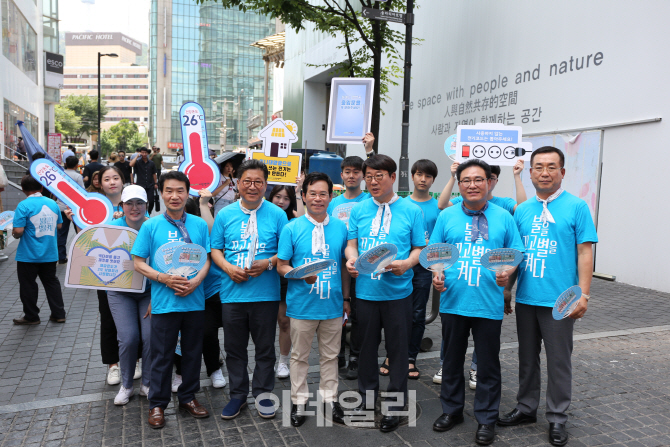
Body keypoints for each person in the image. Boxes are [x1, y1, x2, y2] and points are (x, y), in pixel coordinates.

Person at [498, 147, 598, 447]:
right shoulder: (523, 209)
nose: (544, 172)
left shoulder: (577, 207)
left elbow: (585, 252)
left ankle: (557, 418)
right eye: (538, 167)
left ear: (562, 172)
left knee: (558, 361)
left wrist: (584, 294)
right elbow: (517, 254)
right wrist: (507, 288)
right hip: (528, 298)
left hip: (561, 301)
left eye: (551, 167)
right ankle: (526, 408)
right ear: (530, 173)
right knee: (526, 358)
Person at [429, 159, 524, 445]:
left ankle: (486, 418)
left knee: (488, 366)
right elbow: (435, 253)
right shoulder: (446, 216)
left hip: (488, 304)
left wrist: (508, 273)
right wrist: (437, 273)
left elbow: (517, 251)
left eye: (478, 179)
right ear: (459, 184)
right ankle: (452, 410)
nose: (472, 184)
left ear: (489, 182)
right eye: (466, 180)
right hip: (453, 301)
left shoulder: (504, 216)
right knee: (452, 360)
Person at [345, 154, 426, 433]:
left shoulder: (412, 211)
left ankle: (394, 405)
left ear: (393, 177)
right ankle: (366, 400)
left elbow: (419, 249)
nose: (373, 181)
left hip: (398, 294)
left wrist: (406, 263)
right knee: (365, 349)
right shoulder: (359, 209)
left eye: (379, 176)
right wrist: (351, 259)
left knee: (398, 351)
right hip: (365, 293)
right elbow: (351, 244)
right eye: (369, 176)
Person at [132, 171, 212, 429]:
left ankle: (188, 397)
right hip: (165, 303)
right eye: (169, 191)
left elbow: (207, 259)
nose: (175, 196)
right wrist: (163, 278)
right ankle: (157, 404)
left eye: (180, 191)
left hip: (194, 301)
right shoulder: (151, 226)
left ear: (188, 193)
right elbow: (138, 263)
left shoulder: (199, 225)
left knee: (191, 353)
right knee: (161, 355)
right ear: (161, 193)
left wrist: (197, 281)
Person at [210, 159, 288, 420]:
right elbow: (215, 250)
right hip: (232, 293)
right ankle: (238, 396)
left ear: (265, 185)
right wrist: (228, 268)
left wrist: (268, 262)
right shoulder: (225, 214)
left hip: (266, 294)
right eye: (247, 181)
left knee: (265, 348)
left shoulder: (278, 215)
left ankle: (264, 395)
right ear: (238, 184)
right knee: (234, 348)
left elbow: (286, 253)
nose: (252, 186)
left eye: (258, 182)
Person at [277, 172, 349, 427]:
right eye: (312, 193)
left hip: (332, 304)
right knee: (299, 356)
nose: (318, 199)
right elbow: (282, 265)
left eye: (323, 194)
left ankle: (330, 399)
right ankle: (299, 401)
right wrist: (300, 274)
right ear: (304, 196)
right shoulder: (292, 228)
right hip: (301, 305)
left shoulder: (341, 228)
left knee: (331, 356)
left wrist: (346, 299)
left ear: (331, 197)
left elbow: (343, 266)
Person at [171, 190, 227, 392]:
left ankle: (214, 369)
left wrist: (204, 204)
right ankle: (179, 373)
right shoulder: (163, 229)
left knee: (207, 332)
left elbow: (213, 245)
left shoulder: (202, 228)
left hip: (207, 291)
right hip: (177, 291)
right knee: (178, 333)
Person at [107, 185, 152, 405]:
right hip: (120, 292)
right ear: (121, 206)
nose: (135, 208)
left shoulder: (154, 226)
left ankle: (148, 383)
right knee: (128, 338)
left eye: (139, 203)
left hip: (149, 291)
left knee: (150, 337)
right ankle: (126, 385)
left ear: (146, 205)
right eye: (129, 203)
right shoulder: (111, 228)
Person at [327, 155, 369, 380]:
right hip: (337, 264)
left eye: (356, 171)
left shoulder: (369, 199)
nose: (351, 176)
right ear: (341, 175)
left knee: (360, 313)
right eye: (347, 172)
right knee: (339, 311)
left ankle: (356, 357)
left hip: (361, 265)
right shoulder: (333, 202)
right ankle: (338, 356)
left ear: (363, 175)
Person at [402, 159, 439, 381]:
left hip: (425, 267)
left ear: (433, 180)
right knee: (397, 312)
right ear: (412, 176)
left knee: (417, 314)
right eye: (419, 174)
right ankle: (393, 354)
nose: (423, 179)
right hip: (404, 264)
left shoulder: (439, 205)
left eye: (428, 176)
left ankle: (409, 357)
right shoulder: (403, 205)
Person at [11, 175, 65, 325]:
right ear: (41, 188)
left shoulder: (23, 205)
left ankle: (31, 316)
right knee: (51, 283)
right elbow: (59, 225)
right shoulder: (52, 204)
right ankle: (59, 314)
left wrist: (14, 233)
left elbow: (18, 230)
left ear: (23, 189)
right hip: (50, 253)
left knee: (28, 285)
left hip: (28, 255)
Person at [268, 181, 305, 379]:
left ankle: (283, 361)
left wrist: (298, 191)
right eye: (277, 197)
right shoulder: (262, 215)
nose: (281, 201)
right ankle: (265, 361)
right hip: (262, 276)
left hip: (282, 274)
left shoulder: (294, 221)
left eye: (286, 198)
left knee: (284, 321)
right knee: (264, 323)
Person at [56, 156, 85, 264]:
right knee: (80, 232)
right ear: (77, 165)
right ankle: (80, 255)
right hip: (74, 208)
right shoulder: (77, 176)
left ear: (66, 163)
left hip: (61, 207)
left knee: (61, 234)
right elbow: (82, 192)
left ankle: (61, 256)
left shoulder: (60, 174)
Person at [130, 147, 158, 214]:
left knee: (151, 201)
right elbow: (131, 164)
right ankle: (142, 213)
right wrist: (137, 156)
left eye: (145, 152)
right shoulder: (138, 162)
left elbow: (154, 174)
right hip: (140, 185)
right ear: (140, 153)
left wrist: (156, 183)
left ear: (148, 153)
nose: (144, 154)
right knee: (141, 201)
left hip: (150, 185)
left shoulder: (151, 163)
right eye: (142, 152)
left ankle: (148, 213)